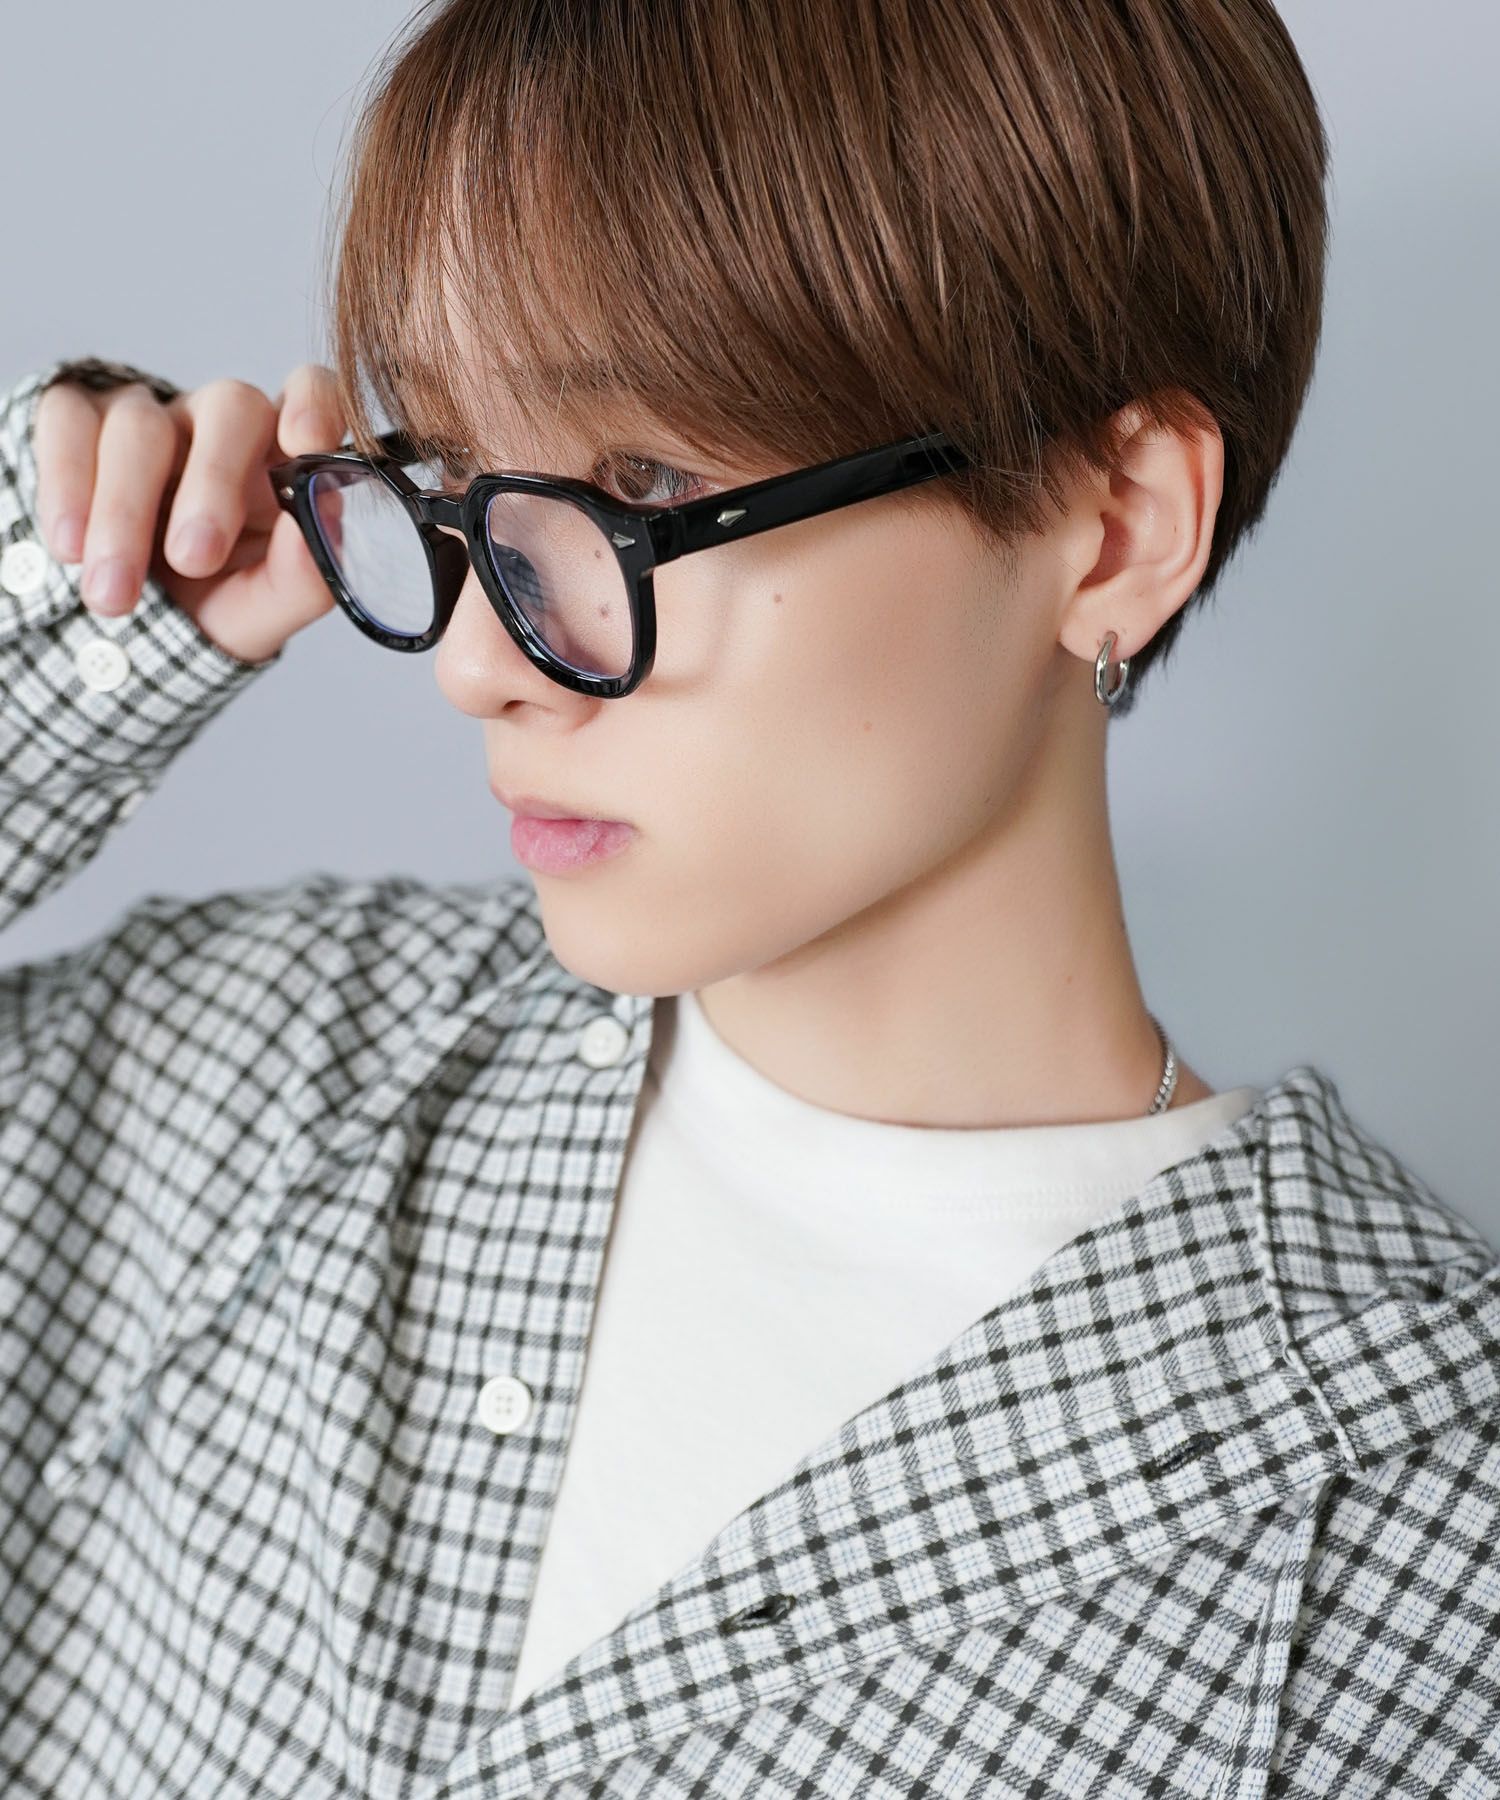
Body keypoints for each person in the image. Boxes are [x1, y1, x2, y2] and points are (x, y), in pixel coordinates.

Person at [1, 0, 1496, 1793]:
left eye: (642, 483)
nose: (477, 662)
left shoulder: (1422, 1548)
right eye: (456, 483)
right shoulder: (247, 1079)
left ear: (1116, 529)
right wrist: (62, 619)